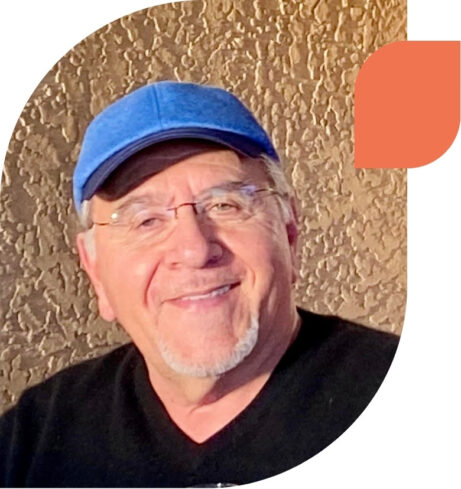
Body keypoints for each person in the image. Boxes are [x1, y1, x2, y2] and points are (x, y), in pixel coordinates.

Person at [0, 81, 399, 487]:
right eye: (146, 220)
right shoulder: (31, 445)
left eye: (226, 205)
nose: (193, 249)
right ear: (96, 271)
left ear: (289, 233)